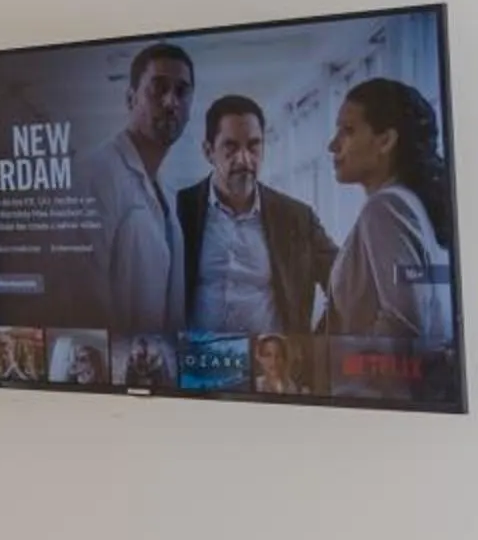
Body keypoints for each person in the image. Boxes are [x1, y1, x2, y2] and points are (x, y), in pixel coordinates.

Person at [176, 94, 337, 335]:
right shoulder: (179, 209)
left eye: (253, 146)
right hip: (197, 365)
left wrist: (318, 344)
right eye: (230, 147)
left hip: (271, 368)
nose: (244, 159)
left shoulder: (297, 218)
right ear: (208, 151)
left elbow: (347, 286)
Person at [324, 77, 457, 345]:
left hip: (375, 386)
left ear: (385, 141)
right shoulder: (411, 204)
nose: (333, 145)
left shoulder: (386, 208)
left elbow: (403, 328)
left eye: (347, 131)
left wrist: (336, 364)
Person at [73, 42, 194, 333]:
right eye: (158, 88)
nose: (170, 102)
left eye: (181, 91)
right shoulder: (96, 173)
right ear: (130, 99)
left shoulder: (166, 190)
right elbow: (83, 299)